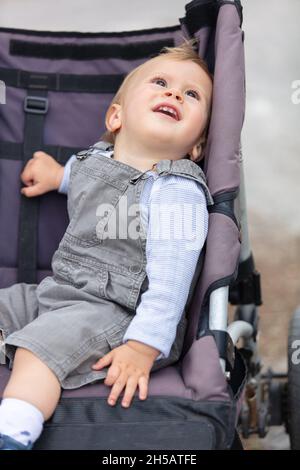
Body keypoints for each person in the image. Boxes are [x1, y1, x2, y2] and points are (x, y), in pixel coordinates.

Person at [0, 41, 213, 450]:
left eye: (191, 94)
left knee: (37, 351)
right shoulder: (95, 159)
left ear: (197, 147)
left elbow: (172, 278)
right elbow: (80, 179)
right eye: (161, 82)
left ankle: (14, 433)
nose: (173, 94)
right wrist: (56, 176)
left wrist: (143, 345)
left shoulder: (174, 188)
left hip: (118, 312)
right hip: (58, 295)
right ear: (116, 116)